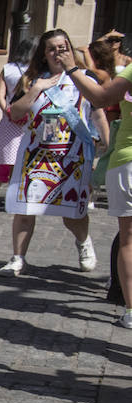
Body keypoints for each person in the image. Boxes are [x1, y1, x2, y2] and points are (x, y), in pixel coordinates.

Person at [0, 29, 109, 277]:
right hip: (36, 154)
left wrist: (105, 141)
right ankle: (18, 258)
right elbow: (15, 113)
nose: (58, 53)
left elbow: (98, 111)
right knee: (25, 209)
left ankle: (83, 244)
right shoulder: (32, 79)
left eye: (63, 47)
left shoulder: (85, 76)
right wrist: (37, 88)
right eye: (52, 49)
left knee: (73, 213)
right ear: (43, 54)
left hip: (72, 155)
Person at [65, 48, 132, 327]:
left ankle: (131, 310)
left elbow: (100, 97)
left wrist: (72, 68)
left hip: (128, 161)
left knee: (129, 239)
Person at [0, 36, 36, 210]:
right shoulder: (38, 71)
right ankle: (18, 198)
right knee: (24, 162)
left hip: (9, 122)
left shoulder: (8, 68)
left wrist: (8, 112)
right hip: (30, 121)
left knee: (1, 161)